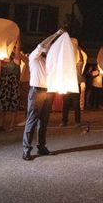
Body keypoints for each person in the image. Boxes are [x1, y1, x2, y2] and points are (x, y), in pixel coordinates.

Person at [22, 29, 65, 161]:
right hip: (36, 91)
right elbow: (41, 46)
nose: (49, 49)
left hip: (48, 92)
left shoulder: (49, 62)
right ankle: (26, 150)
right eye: (49, 47)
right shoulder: (34, 56)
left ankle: (41, 147)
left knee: (44, 122)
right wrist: (55, 35)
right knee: (32, 121)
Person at [0, 40, 22, 132]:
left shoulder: (16, 61)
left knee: (13, 105)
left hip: (12, 85)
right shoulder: (1, 63)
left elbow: (18, 49)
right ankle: (1, 124)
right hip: (4, 84)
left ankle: (11, 125)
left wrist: (17, 38)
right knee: (2, 105)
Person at [61, 49, 85, 127]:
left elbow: (81, 60)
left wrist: (79, 50)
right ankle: (64, 121)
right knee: (65, 105)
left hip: (75, 86)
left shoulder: (77, 66)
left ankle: (77, 122)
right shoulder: (65, 67)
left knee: (76, 105)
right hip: (66, 86)